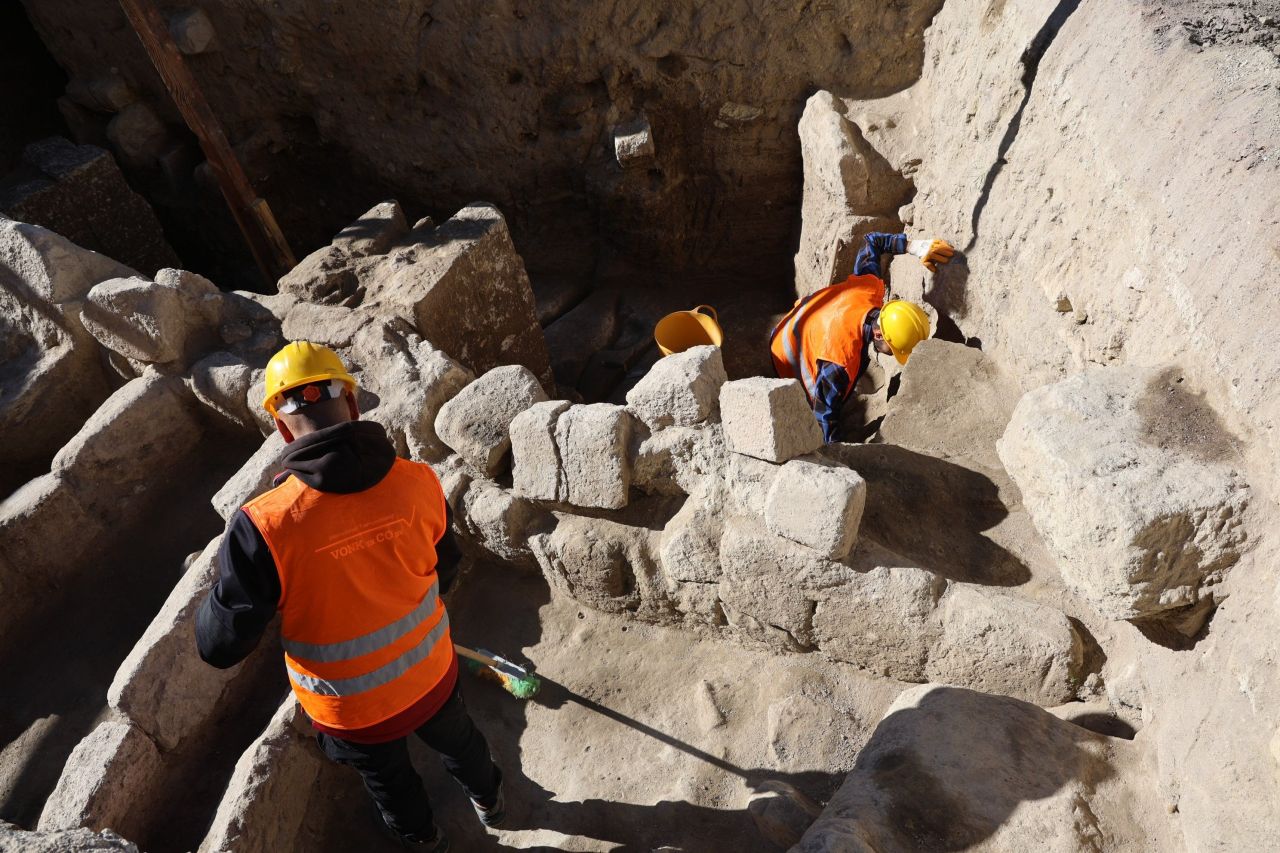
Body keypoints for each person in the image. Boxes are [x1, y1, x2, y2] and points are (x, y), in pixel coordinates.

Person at [196, 341, 501, 853]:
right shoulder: (419, 480)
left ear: (282, 426)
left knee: (390, 782)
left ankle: (424, 839)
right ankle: (492, 802)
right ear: (354, 405)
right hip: (431, 673)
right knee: (461, 741)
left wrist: (226, 590)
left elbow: (219, 646)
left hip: (351, 712)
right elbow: (444, 568)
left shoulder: (263, 526)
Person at [770, 232, 954, 442]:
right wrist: (836, 452)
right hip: (784, 351)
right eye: (893, 350)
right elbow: (823, 416)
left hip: (801, 320)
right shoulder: (840, 361)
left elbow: (872, 241)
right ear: (878, 333)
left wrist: (916, 247)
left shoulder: (868, 288)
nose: (894, 356)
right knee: (822, 403)